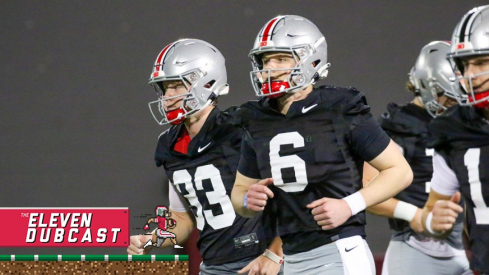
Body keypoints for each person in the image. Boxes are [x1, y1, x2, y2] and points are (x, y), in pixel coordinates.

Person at [230, 15, 413, 275]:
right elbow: (239, 193)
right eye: (265, 60)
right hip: (291, 257)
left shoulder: (338, 107)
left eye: (281, 58)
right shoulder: (257, 119)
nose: (270, 67)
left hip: (339, 249)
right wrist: (247, 200)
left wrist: (349, 205)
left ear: (311, 60)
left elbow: (400, 171)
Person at [127, 38, 283, 275]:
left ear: (206, 83)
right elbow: (182, 217)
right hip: (213, 265)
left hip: (261, 261)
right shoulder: (168, 145)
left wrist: (275, 254)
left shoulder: (243, 128)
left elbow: (298, 197)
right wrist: (152, 239)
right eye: (164, 87)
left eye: (176, 86)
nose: (168, 96)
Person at [363, 41, 471, 275]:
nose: (456, 107)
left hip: (457, 248)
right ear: (427, 86)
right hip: (414, 248)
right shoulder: (397, 127)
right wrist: (412, 213)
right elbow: (367, 188)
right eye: (450, 99)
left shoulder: (461, 127)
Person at [421, 5, 489, 275]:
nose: (470, 74)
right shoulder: (452, 129)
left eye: (481, 62)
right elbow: (433, 210)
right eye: (464, 64)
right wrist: (433, 222)